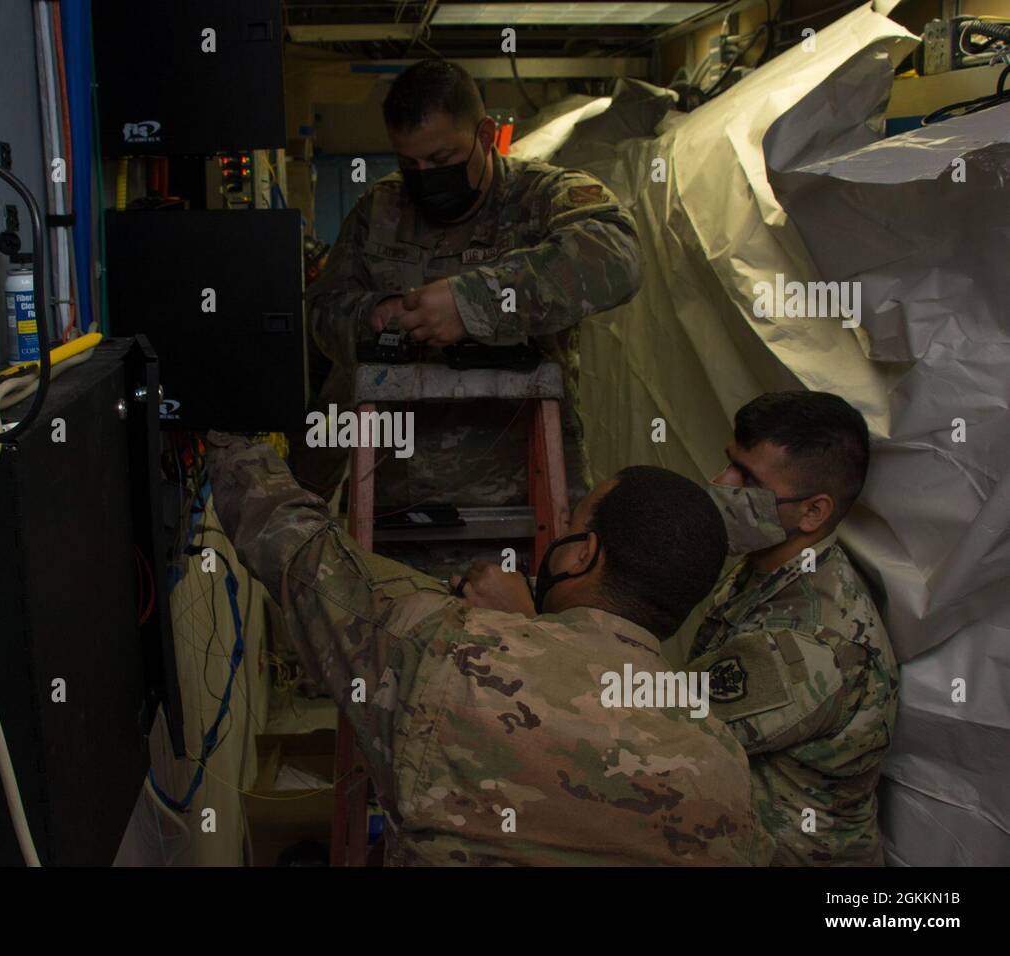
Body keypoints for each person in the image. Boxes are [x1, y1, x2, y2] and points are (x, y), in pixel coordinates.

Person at [205, 431, 772, 866]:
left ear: (582, 555)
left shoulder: (451, 652)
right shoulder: (724, 764)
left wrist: (230, 440)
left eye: (570, 526)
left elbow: (301, 554)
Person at [299, 58, 640, 505]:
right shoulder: (380, 209)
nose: (424, 176)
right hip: (402, 496)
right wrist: (375, 317)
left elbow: (617, 258)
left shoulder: (541, 197)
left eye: (441, 159)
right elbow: (323, 311)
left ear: (484, 135)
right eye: (408, 163)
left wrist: (472, 303)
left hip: (527, 493)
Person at [694, 390, 899, 865]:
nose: (721, 484)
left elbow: (662, 730)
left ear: (813, 512)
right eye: (730, 464)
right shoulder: (772, 568)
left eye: (747, 479)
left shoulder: (812, 641)